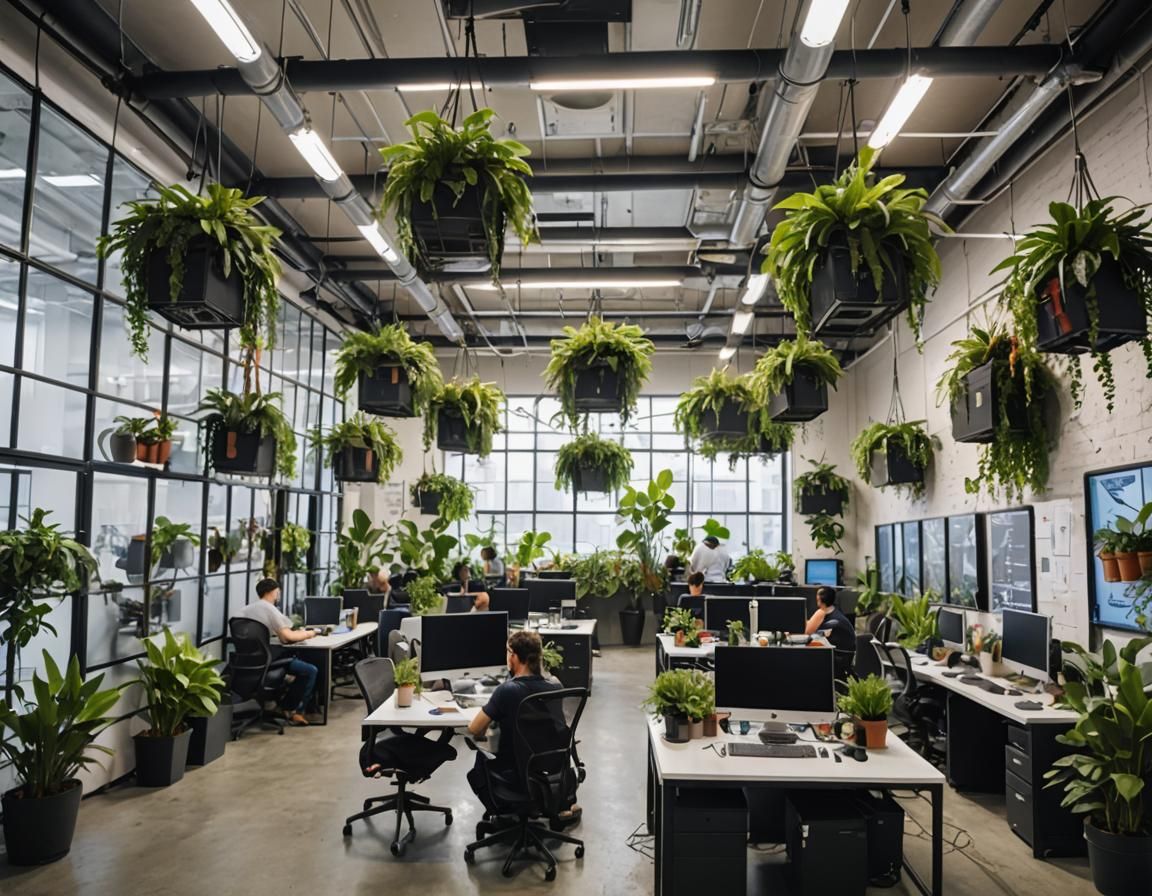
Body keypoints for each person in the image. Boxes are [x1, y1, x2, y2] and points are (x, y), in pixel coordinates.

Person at [466, 630, 579, 826]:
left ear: (514, 656)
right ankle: (540, 805)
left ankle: (503, 814)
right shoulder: (556, 686)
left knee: (479, 763)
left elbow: (475, 729)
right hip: (551, 770)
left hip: (516, 772)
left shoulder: (506, 691)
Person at [236, 578, 320, 726]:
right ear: (272, 592)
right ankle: (293, 710)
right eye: (277, 592)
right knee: (309, 670)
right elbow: (287, 637)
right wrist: (311, 633)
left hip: (247, 664)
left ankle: (282, 703)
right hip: (270, 661)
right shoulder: (269, 608)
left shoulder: (245, 610)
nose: (278, 595)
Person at [804, 587, 856, 652]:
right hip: (847, 652)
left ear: (819, 599)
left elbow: (807, 632)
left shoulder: (822, 613)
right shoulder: (833, 611)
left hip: (840, 654)